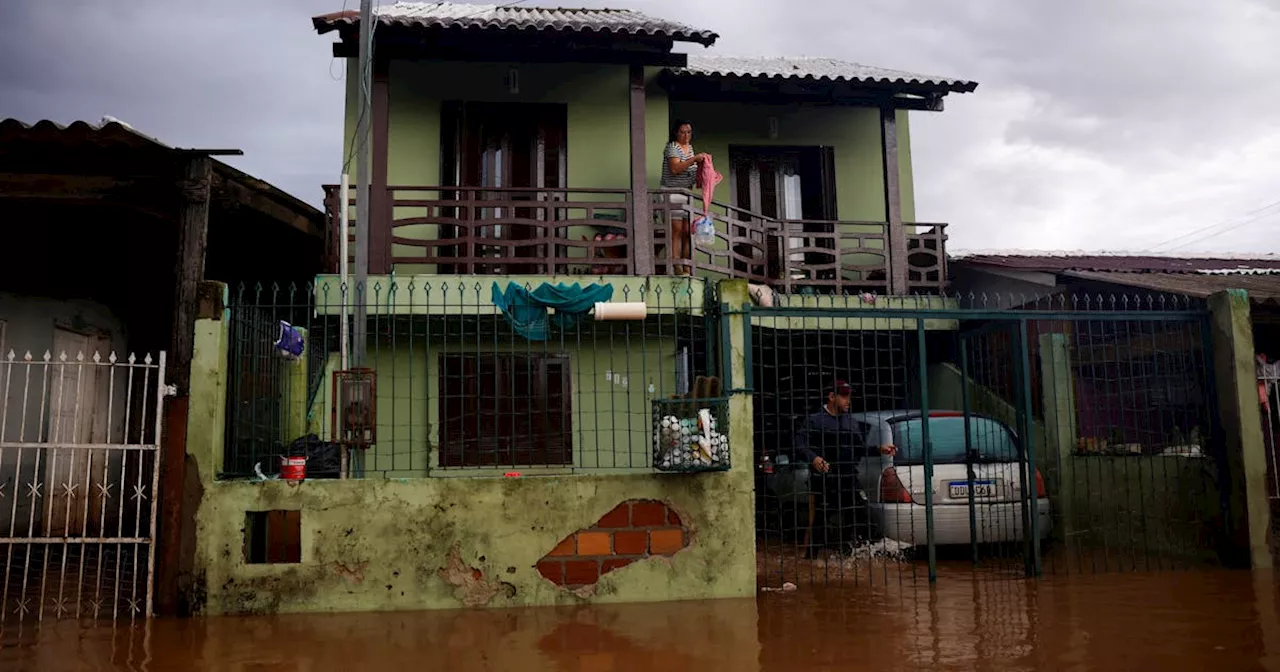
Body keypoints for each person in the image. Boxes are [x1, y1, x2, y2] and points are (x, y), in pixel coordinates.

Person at [793, 380, 896, 555]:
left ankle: (863, 554)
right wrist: (814, 458)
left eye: (849, 396)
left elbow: (859, 448)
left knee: (861, 516)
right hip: (824, 481)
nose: (848, 400)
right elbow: (800, 444)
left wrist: (879, 449)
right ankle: (812, 559)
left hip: (849, 479)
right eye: (844, 396)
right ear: (832, 397)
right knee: (820, 521)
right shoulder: (814, 420)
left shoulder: (850, 422)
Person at [659, 120, 709, 275]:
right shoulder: (672, 147)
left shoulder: (690, 149)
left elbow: (690, 172)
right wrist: (694, 160)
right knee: (676, 230)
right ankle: (677, 265)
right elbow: (675, 168)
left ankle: (687, 265)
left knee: (688, 231)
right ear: (676, 133)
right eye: (682, 132)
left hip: (686, 193)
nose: (686, 135)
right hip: (672, 192)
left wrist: (705, 172)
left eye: (689, 132)